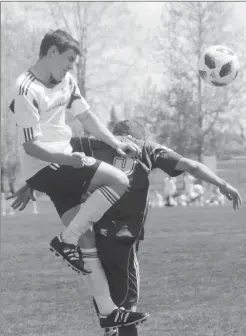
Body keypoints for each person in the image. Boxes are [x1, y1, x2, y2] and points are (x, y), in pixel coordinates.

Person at [8, 119, 242, 336]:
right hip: (123, 234)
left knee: (107, 302)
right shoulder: (147, 148)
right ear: (134, 136)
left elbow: (46, 151)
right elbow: (190, 165)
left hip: (93, 230)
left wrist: (31, 183)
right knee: (126, 309)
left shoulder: (94, 144)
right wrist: (222, 184)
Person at [9, 29, 147, 329]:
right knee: (119, 181)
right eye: (68, 59)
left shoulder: (67, 82)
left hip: (60, 164)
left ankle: (108, 311)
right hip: (49, 164)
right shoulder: (25, 88)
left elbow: (86, 117)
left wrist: (114, 143)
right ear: (51, 53)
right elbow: (30, 147)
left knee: (87, 242)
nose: (70, 66)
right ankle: (64, 241)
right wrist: (67, 159)